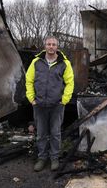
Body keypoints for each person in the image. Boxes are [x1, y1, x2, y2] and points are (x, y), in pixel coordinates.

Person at [25, 36, 74, 172]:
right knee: (41, 133)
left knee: (55, 133)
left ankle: (54, 158)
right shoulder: (36, 62)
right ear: (45, 46)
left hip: (56, 105)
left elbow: (70, 83)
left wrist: (64, 100)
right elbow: (29, 80)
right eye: (48, 44)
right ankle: (42, 158)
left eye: (53, 44)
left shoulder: (64, 63)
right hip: (39, 104)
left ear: (57, 46)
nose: (51, 46)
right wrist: (31, 99)